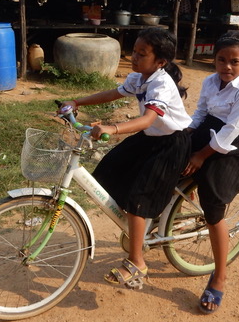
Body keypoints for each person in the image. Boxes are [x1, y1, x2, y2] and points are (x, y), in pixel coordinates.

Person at [61, 27, 192, 288]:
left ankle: (137, 263)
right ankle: (141, 222)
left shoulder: (162, 84)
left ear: (160, 62)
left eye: (142, 54)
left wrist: (113, 128)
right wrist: (77, 102)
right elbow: (114, 93)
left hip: (171, 144)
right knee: (108, 171)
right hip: (150, 138)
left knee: (137, 199)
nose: (134, 57)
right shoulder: (140, 76)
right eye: (134, 52)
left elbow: (147, 119)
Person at [181, 30, 239, 314]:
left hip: (230, 146)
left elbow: (231, 131)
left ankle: (219, 277)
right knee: (166, 161)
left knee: (213, 209)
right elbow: (201, 113)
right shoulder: (209, 81)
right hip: (207, 132)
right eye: (221, 60)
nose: (227, 66)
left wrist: (201, 155)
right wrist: (185, 134)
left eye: (234, 61)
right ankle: (172, 217)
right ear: (214, 60)